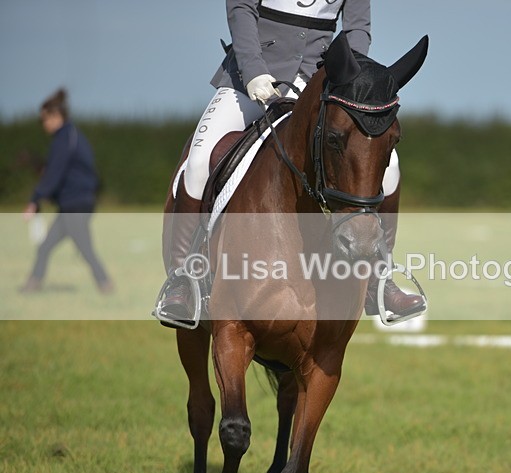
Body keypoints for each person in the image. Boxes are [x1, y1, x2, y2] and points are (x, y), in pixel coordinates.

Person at [158, 0, 423, 324]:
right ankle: (184, 279)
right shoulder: (250, 74)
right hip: (249, 80)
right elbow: (241, 9)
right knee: (200, 161)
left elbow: (356, 29)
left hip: (320, 88)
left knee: (390, 166)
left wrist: (350, 82)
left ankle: (379, 279)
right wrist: (253, 70)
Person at [19, 89, 113, 294]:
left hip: (75, 203)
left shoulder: (65, 139)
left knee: (84, 248)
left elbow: (54, 174)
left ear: (55, 116)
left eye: (44, 119)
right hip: (73, 203)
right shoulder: (70, 136)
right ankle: (33, 284)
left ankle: (105, 284)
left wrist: (35, 200)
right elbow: (60, 171)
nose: (43, 124)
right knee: (45, 247)